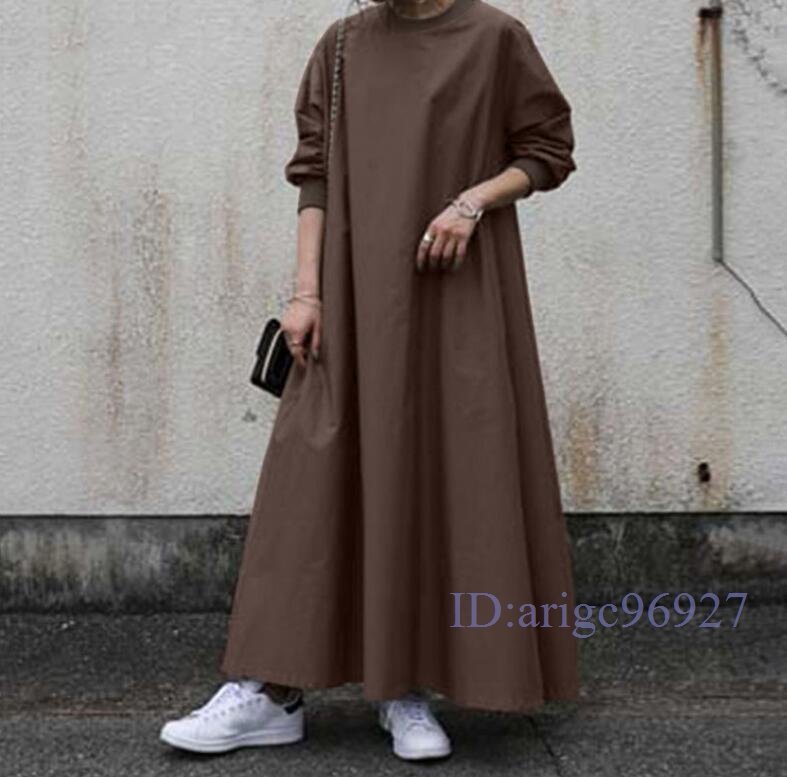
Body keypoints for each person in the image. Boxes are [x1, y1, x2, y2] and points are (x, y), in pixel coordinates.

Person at [160, 0, 579, 762]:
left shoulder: (495, 38)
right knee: (308, 477)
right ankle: (268, 690)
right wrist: (306, 294)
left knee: (433, 472)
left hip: (455, 298)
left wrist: (471, 203)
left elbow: (547, 150)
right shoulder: (342, 45)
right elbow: (314, 176)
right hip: (350, 294)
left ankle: (401, 687)